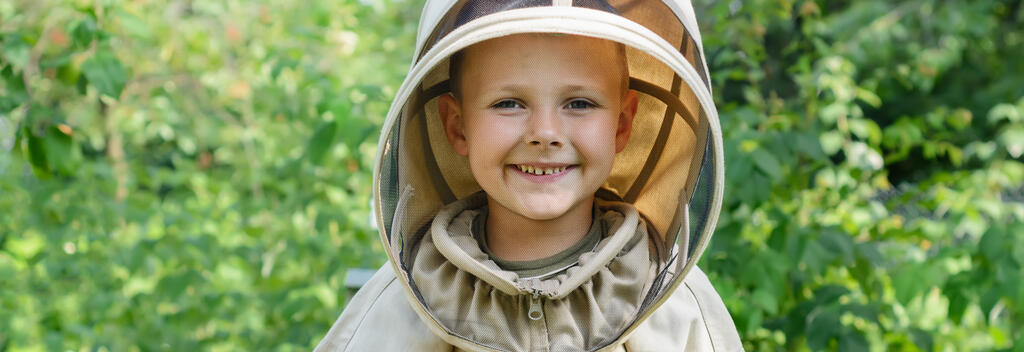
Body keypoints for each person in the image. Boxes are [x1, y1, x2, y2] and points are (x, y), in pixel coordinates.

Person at [316, 1, 742, 351]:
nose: (545, 134)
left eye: (579, 103)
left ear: (622, 125)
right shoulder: (403, 301)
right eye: (509, 103)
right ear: (457, 126)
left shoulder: (671, 305)